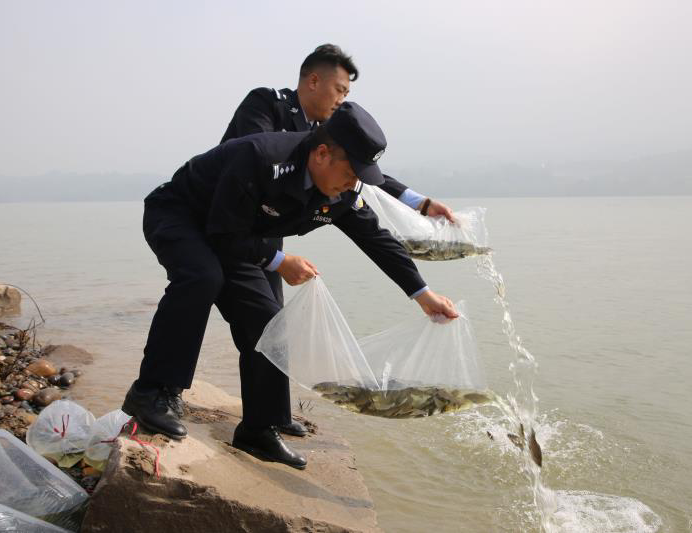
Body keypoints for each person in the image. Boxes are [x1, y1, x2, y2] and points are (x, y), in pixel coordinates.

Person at [122, 102, 458, 469]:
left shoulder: (343, 190)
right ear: (322, 153)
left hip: (237, 234)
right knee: (202, 277)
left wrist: (423, 295)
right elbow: (223, 234)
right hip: (181, 216)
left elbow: (375, 238)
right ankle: (152, 391)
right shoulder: (260, 159)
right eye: (350, 173)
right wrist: (281, 262)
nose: (352, 183)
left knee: (270, 321)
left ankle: (259, 429)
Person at [222, 44, 456, 438]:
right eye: (340, 90)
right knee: (260, 324)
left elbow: (361, 177)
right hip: (234, 224)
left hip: (271, 232)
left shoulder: (328, 142)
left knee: (274, 326)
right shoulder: (267, 106)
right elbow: (258, 165)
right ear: (314, 80)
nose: (342, 99)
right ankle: (252, 426)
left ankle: (275, 415)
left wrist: (418, 203)